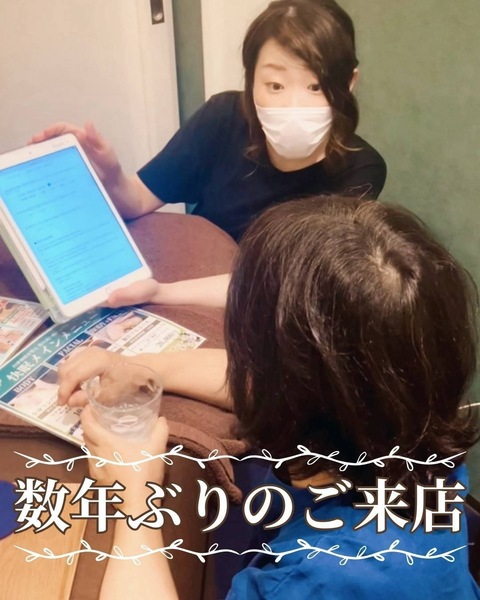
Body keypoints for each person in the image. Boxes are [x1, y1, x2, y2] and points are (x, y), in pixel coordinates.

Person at [59, 196, 480, 599]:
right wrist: (138, 366)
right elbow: (264, 385)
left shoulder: (320, 576)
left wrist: (135, 497)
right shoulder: (413, 421)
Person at [32, 0, 387, 310]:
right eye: (275, 86)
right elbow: (136, 201)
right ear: (251, 80)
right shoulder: (223, 117)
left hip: (258, 309)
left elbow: (289, 282)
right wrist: (110, 175)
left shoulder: (361, 168)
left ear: (349, 84)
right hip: (195, 273)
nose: (293, 106)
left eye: (316, 86)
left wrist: (162, 293)